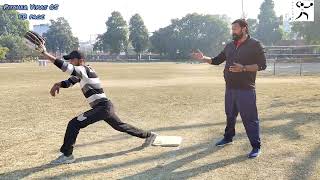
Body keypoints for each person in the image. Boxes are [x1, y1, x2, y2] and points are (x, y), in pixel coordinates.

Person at [38, 48, 157, 164]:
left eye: (72, 60)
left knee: (74, 124)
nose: (70, 62)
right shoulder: (83, 72)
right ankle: (149, 135)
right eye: (69, 60)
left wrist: (45, 53)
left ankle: (67, 155)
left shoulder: (84, 69)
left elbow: (66, 68)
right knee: (120, 126)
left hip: (103, 107)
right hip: (103, 107)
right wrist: (58, 84)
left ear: (80, 60)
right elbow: (70, 81)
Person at [192, 19, 267, 158]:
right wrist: (203, 58)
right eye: (232, 29)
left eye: (235, 29)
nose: (232, 31)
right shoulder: (229, 46)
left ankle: (256, 147)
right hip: (230, 89)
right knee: (230, 115)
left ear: (244, 29)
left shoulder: (255, 44)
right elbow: (216, 60)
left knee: (250, 119)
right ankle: (228, 138)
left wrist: (244, 68)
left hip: (246, 90)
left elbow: (262, 65)